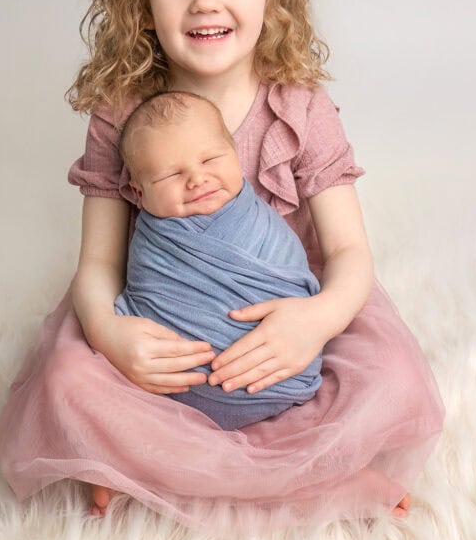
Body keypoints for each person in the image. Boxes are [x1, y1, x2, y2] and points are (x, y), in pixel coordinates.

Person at [0, 0, 444, 533]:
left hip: (282, 317)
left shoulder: (299, 106)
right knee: (66, 379)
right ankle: (290, 468)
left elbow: (350, 253)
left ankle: (192, 464)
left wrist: (314, 322)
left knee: (393, 376)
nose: (206, 1)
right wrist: (114, 335)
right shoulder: (123, 111)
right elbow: (97, 265)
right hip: (167, 319)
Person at [116, 89, 323, 430]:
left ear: (235, 155)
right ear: (139, 193)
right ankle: (114, 460)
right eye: (171, 175)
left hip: (281, 368)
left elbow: (294, 278)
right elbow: (144, 295)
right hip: (169, 393)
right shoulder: (155, 241)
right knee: (76, 374)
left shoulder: (258, 221)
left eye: (210, 160)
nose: (198, 179)